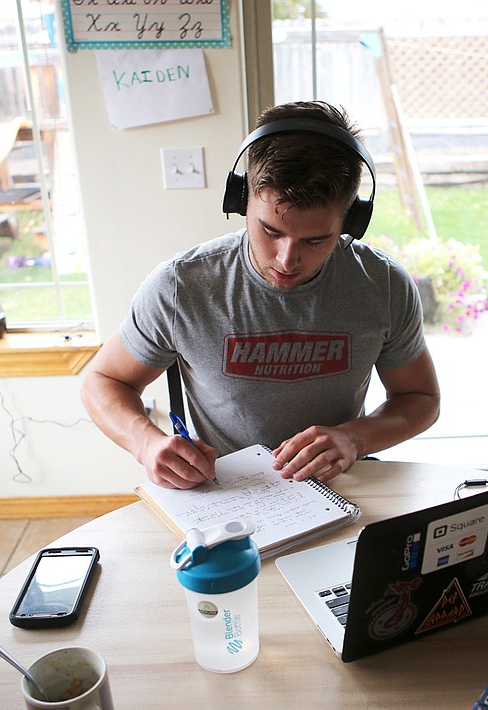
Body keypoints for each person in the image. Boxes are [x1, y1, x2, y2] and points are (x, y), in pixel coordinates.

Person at [81, 101, 440, 489]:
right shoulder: (181, 287)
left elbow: (420, 397)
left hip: (344, 486)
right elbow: (102, 380)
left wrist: (356, 438)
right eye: (270, 231)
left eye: (316, 240)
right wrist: (146, 443)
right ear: (241, 200)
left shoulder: (382, 285)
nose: (287, 259)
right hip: (228, 492)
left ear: (352, 220)